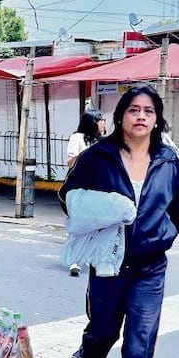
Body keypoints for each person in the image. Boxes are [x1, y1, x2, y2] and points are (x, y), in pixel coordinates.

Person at [60, 85, 179, 358]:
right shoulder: (98, 156)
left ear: (157, 119)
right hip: (109, 261)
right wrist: (102, 209)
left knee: (141, 339)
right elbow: (69, 196)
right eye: (133, 110)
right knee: (103, 333)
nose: (140, 116)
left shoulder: (167, 160)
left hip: (150, 264)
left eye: (148, 111)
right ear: (121, 116)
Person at [65, 109, 107, 276]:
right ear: (92, 122)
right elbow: (70, 161)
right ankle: (74, 261)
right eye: (100, 120)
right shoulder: (78, 138)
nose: (104, 123)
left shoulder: (103, 141)